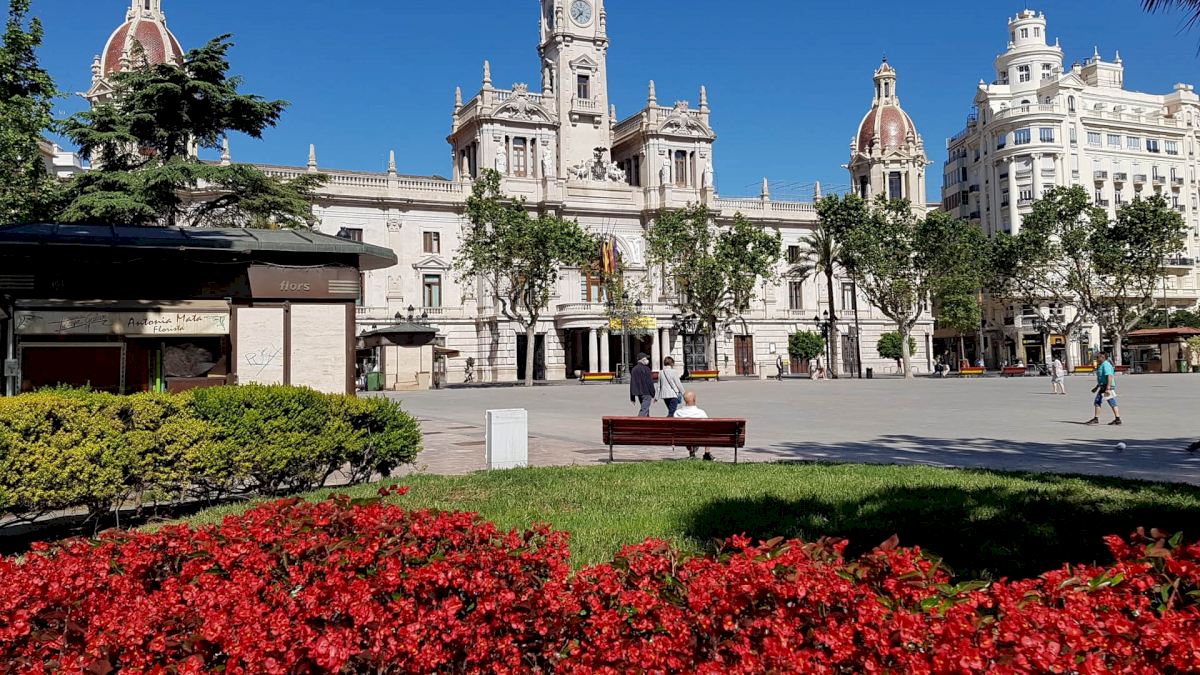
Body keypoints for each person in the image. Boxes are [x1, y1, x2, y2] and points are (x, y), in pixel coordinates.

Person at [673, 390, 713, 461]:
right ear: (694, 400)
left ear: (685, 400)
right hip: (698, 437)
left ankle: (692, 453)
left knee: (688, 432)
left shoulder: (677, 413)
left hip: (683, 437)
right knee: (708, 431)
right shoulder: (701, 413)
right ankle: (707, 453)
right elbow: (708, 426)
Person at [1086, 352, 1121, 426]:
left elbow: (1109, 376)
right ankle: (1117, 419)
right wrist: (1096, 387)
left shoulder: (1106, 365)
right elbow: (1102, 378)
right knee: (1110, 401)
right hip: (1104, 386)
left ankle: (1096, 419)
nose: (1096, 359)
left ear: (1102, 357)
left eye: (1097, 357)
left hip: (1106, 386)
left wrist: (1108, 388)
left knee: (1098, 401)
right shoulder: (1102, 365)